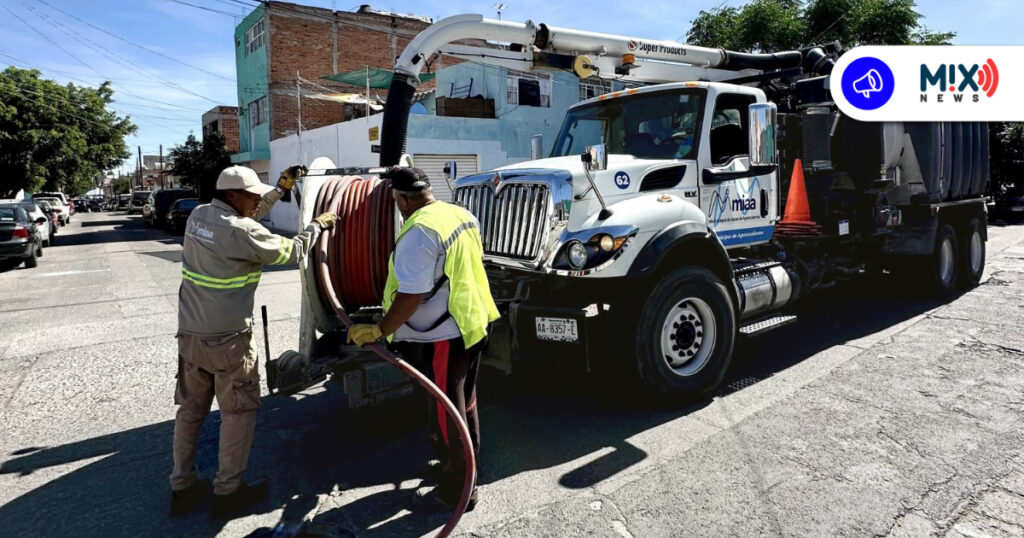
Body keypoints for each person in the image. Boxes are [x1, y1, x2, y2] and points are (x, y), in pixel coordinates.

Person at [170, 165, 338, 518]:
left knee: (190, 412)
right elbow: (290, 252)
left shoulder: (200, 216)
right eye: (252, 194)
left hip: (190, 336)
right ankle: (228, 491)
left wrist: (279, 190)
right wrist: (317, 226)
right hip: (229, 342)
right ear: (232, 196)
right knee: (237, 413)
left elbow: (248, 220)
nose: (258, 199)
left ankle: (182, 485)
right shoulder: (241, 230)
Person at [347, 167, 499, 510]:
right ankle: (461, 464)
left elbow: (411, 295)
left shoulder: (418, 232)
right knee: (464, 404)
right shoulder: (460, 214)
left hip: (442, 337)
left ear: (401, 200)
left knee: (446, 412)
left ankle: (460, 486)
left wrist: (380, 329)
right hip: (471, 322)